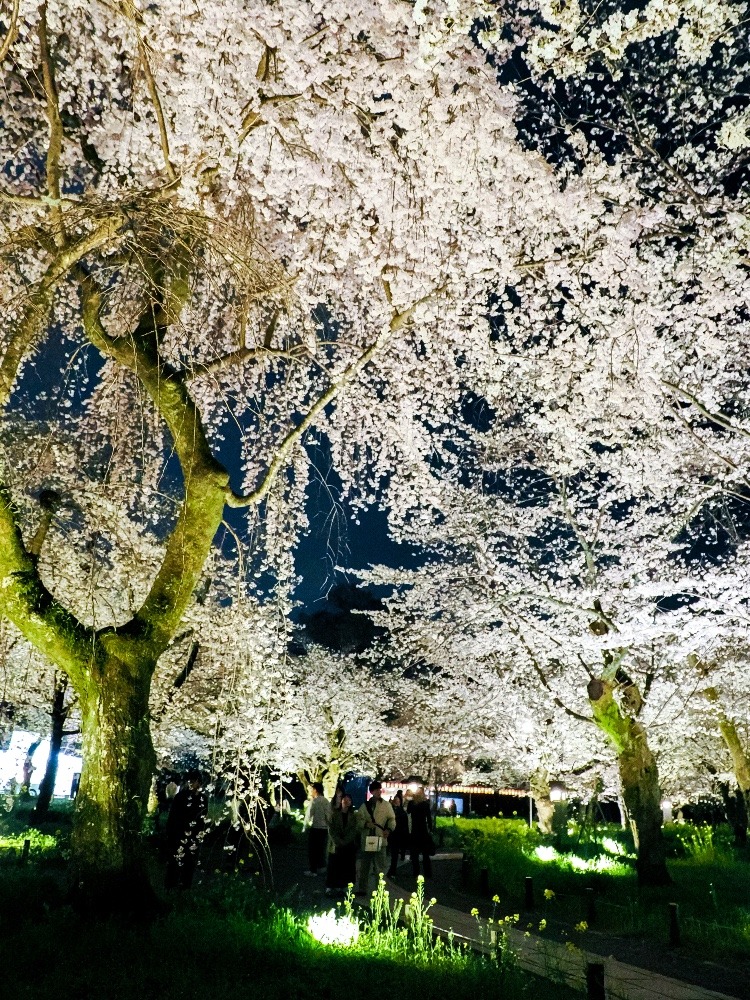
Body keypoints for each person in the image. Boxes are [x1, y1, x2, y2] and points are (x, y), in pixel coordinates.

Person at [165, 770, 207, 889]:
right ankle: (171, 886)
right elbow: (173, 817)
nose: (191, 784)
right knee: (175, 861)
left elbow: (202, 818)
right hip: (178, 833)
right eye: (190, 781)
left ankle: (184, 886)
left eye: (193, 782)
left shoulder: (202, 799)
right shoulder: (181, 796)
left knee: (189, 862)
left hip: (193, 834)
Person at [356, 780, 395, 896]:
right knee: (365, 867)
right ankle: (363, 889)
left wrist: (389, 829)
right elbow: (358, 820)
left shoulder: (386, 805)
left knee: (380, 867)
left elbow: (392, 819)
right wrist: (366, 824)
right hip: (368, 839)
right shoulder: (364, 806)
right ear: (372, 792)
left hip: (381, 839)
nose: (379, 792)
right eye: (376, 790)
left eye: (380, 789)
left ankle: (380, 890)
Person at [326, 792, 358, 896]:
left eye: (349, 799)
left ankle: (341, 887)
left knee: (344, 866)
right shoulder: (334, 814)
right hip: (336, 845)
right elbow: (331, 829)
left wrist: (345, 841)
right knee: (333, 865)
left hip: (348, 846)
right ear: (341, 801)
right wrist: (337, 841)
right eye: (344, 799)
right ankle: (330, 887)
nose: (346, 801)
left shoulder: (353, 816)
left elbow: (354, 830)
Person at [304, 781, 330, 876]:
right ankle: (321, 867)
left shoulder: (315, 801)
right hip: (324, 829)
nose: (311, 791)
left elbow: (310, 815)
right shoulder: (326, 801)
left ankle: (313, 870)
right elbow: (329, 815)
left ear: (315, 790)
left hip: (316, 828)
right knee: (321, 849)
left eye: (312, 789)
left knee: (313, 849)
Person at [408, 785, 433, 879]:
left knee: (415, 854)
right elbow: (429, 818)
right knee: (425, 854)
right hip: (423, 831)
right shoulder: (425, 804)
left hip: (415, 831)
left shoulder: (412, 803)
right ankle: (428, 873)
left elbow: (408, 813)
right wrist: (430, 829)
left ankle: (416, 872)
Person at [387, 790, 409, 876]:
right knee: (392, 853)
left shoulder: (401, 813)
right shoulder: (392, 811)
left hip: (396, 835)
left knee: (394, 854)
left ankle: (392, 870)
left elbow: (405, 826)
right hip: (391, 834)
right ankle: (391, 870)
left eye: (398, 801)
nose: (396, 802)